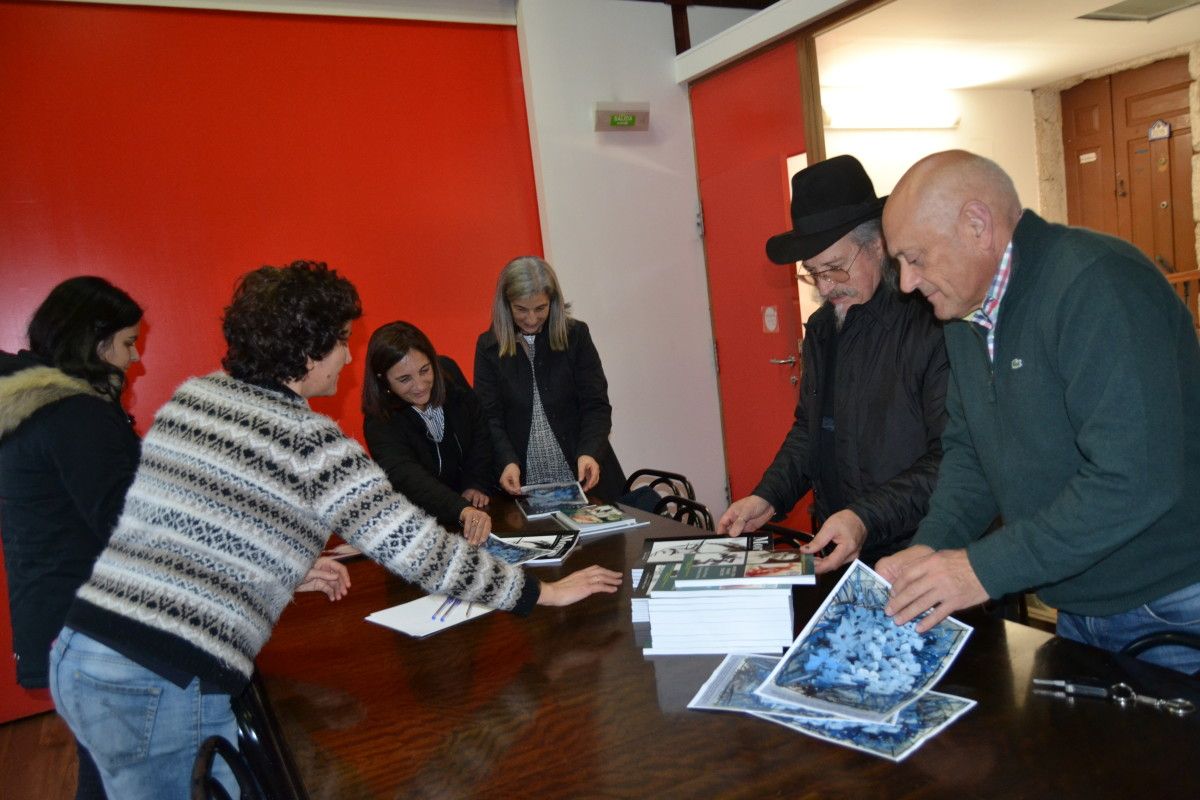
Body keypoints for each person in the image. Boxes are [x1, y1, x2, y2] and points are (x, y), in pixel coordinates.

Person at [48, 261, 621, 798]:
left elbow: (173, 524)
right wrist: (542, 591)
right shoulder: (311, 443)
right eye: (343, 341)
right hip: (162, 680)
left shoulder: (194, 399)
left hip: (86, 648)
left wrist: (288, 569)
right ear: (307, 348)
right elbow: (425, 553)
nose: (350, 358)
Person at [877, 150, 1200, 674]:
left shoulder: (1098, 284)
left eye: (915, 258)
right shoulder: (963, 316)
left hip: (1170, 602)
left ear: (977, 225)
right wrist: (933, 548)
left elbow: (1136, 478)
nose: (908, 282)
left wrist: (978, 570)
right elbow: (971, 456)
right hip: (1076, 605)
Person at [717, 155, 948, 574]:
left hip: (923, 554)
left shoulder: (931, 324)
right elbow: (811, 431)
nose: (825, 286)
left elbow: (952, 459)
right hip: (841, 548)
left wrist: (865, 516)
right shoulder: (823, 329)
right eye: (812, 273)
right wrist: (768, 496)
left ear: (878, 244)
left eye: (835, 268)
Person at [0, 276, 142, 800]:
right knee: (123, 775)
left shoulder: (36, 407)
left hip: (61, 620)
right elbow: (125, 525)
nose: (135, 359)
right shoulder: (75, 414)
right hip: (91, 627)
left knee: (105, 770)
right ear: (95, 341)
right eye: (128, 343)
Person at [474, 255, 625, 501]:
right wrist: (506, 461)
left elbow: (595, 405)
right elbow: (489, 417)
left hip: (585, 480)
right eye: (521, 309)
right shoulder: (488, 347)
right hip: (523, 485)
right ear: (506, 305)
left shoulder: (576, 336)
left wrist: (589, 452)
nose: (531, 319)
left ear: (553, 302)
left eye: (540, 308)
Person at [362, 321, 494, 545]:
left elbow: (479, 427)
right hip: (419, 526)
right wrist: (460, 509)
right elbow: (408, 477)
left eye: (425, 370)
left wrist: (475, 482)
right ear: (383, 381)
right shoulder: (379, 421)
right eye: (404, 379)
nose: (420, 385)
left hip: (471, 510)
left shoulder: (448, 372)